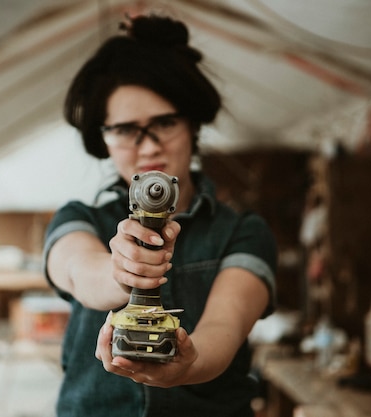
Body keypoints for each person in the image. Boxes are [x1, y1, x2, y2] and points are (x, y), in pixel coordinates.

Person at [43, 13, 277, 417]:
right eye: (125, 129)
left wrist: (187, 364)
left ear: (192, 125)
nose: (148, 147)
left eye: (164, 123)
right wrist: (120, 270)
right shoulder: (77, 220)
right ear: (104, 138)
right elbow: (80, 270)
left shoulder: (244, 232)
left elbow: (225, 327)